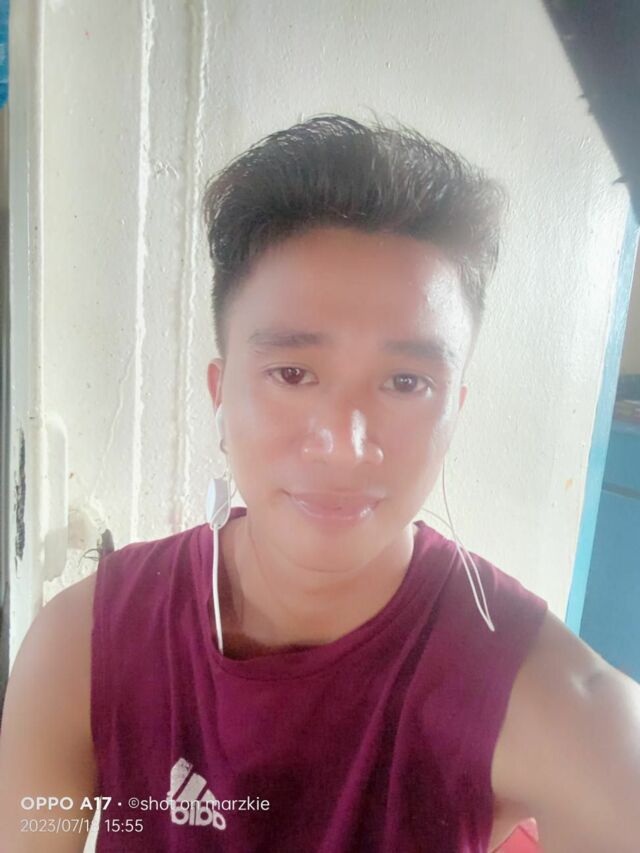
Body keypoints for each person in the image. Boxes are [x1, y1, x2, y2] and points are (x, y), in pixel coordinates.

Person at [1, 114, 639, 853]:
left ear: (455, 408)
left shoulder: (564, 712)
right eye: (293, 373)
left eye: (406, 382)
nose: (344, 444)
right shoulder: (81, 649)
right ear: (221, 392)